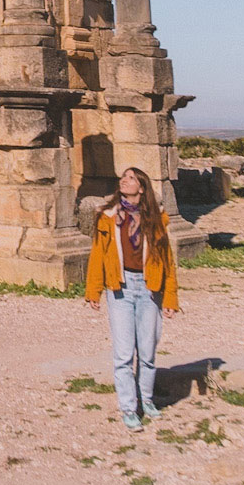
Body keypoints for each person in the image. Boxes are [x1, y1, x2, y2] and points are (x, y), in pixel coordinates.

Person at [85, 166, 180, 429]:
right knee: (124, 354)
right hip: (120, 287)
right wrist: (93, 290)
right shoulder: (107, 217)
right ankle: (129, 408)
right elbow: (97, 255)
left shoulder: (157, 219)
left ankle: (146, 400)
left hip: (150, 288)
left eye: (131, 178)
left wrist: (170, 297)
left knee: (147, 352)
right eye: (123, 178)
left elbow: (168, 261)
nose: (124, 181)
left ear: (142, 187)